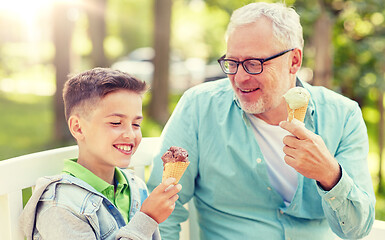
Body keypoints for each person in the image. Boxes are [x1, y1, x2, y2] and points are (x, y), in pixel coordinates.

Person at [147, 2, 376, 240]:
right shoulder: (198, 107)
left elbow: (356, 230)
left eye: (254, 64)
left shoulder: (343, 116)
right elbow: (160, 210)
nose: (240, 77)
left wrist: (330, 175)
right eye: (233, 63)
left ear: (294, 61)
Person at [20, 68, 181, 240]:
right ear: (78, 128)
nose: (130, 134)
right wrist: (148, 218)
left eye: (136, 124)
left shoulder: (135, 186)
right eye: (116, 122)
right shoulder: (60, 206)